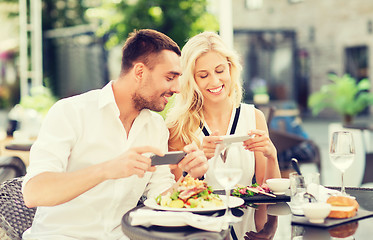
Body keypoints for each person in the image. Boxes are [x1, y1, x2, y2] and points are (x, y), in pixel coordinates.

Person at [22, 29, 208, 240]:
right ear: (139, 72)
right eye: (170, 77)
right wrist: (107, 169)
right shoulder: (70, 112)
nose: (177, 88)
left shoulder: (156, 127)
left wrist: (188, 178)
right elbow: (34, 192)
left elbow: (161, 200)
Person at [166, 31, 281, 187]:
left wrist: (272, 156)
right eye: (203, 75)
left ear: (230, 68)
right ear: (191, 79)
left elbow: (267, 195)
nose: (215, 81)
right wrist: (196, 166)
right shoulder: (178, 127)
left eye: (220, 71)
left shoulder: (254, 117)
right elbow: (173, 200)